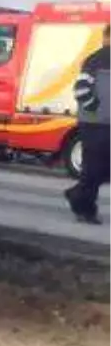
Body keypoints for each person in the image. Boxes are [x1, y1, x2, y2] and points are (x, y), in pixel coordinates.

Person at [65, 24, 111, 225]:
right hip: (95, 125)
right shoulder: (96, 60)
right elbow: (81, 89)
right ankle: (85, 209)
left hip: (102, 123)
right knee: (94, 168)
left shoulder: (94, 59)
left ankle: (77, 195)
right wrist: (97, 108)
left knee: (100, 169)